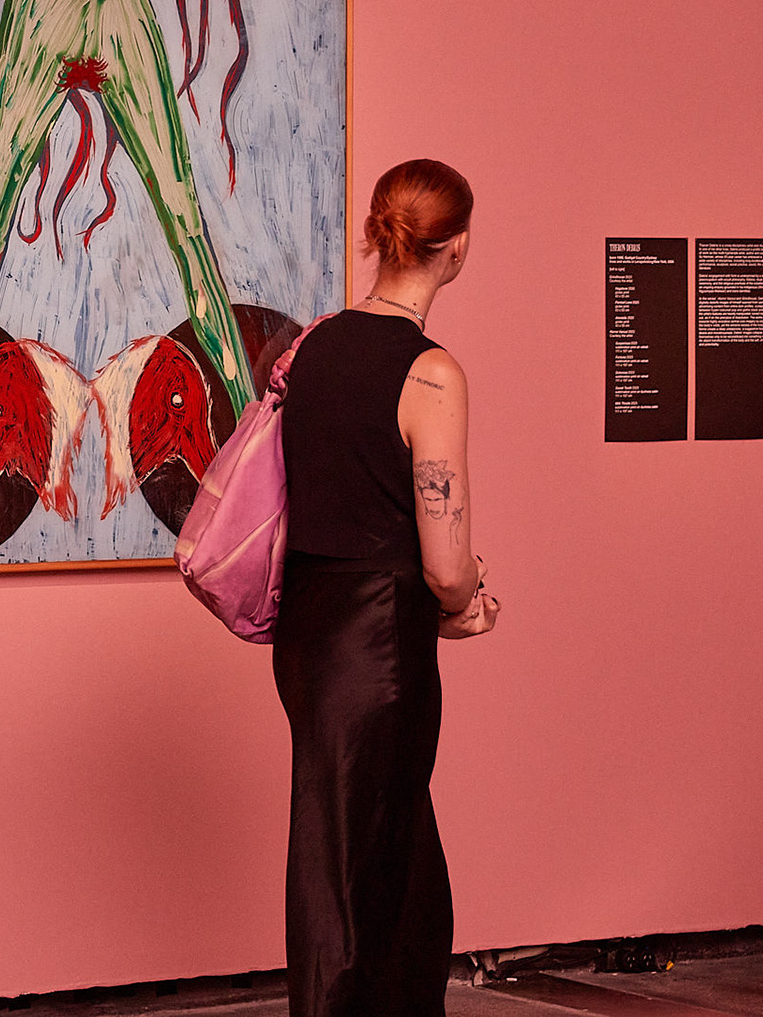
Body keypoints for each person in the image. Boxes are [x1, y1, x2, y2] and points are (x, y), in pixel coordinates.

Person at [274, 159, 501, 1017]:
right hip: (380, 643)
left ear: (380, 232)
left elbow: (334, 508)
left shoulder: (313, 348)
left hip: (309, 632)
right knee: (366, 862)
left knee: (358, 841)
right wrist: (468, 601)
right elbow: (445, 562)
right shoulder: (430, 372)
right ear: (457, 247)